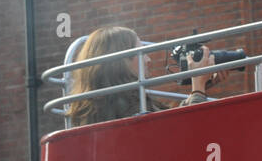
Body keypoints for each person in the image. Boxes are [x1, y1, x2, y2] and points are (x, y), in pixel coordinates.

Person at [66, 25, 220, 125]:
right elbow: (180, 136)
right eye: (142, 53)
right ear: (121, 61)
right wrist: (198, 88)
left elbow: (168, 123)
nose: (149, 60)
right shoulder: (124, 106)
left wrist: (200, 86)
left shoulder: (107, 105)